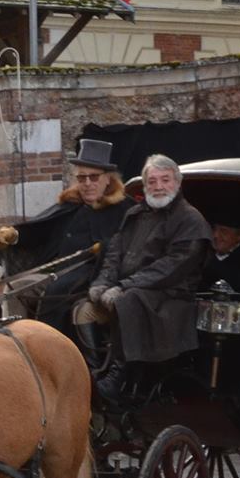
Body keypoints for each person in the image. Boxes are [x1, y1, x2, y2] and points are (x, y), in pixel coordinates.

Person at [82, 154, 213, 400]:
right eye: (152, 181)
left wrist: (122, 286)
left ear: (177, 182)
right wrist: (102, 283)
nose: (159, 186)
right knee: (81, 308)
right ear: (145, 186)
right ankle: (93, 369)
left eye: (165, 180)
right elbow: (114, 255)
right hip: (129, 289)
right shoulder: (134, 215)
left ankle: (119, 376)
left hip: (169, 296)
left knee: (128, 301)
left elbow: (172, 267)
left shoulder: (190, 219)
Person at [0, 137, 130, 343]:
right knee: (16, 287)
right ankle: (17, 342)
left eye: (93, 178)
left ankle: (48, 345)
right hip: (55, 274)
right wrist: (14, 236)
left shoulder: (124, 210)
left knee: (56, 291)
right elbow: (41, 230)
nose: (87, 184)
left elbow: (128, 248)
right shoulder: (70, 206)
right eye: (81, 178)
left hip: (93, 278)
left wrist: (101, 249)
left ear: (108, 179)